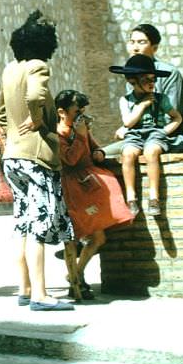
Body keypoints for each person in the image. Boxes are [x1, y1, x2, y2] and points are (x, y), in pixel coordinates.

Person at [0, 11, 77, 311]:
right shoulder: (38, 67)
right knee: (39, 226)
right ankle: (41, 295)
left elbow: (1, 115)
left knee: (23, 224)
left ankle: (25, 289)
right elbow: (35, 96)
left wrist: (14, 134)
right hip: (37, 157)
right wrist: (38, 120)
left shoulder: (9, 69)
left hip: (13, 157)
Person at [55, 89, 134, 298]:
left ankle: (76, 274)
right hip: (73, 189)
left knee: (98, 238)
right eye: (76, 111)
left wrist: (98, 152)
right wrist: (80, 136)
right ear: (62, 112)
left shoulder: (80, 129)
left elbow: (95, 148)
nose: (80, 115)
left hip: (88, 185)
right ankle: (76, 282)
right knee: (75, 237)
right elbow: (70, 159)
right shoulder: (57, 134)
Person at [103, 24, 183, 157]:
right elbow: (132, 111)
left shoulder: (169, 73)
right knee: (101, 155)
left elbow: (170, 115)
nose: (135, 48)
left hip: (168, 135)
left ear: (155, 47)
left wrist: (142, 132)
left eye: (141, 42)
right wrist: (127, 128)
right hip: (138, 136)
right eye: (132, 42)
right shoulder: (131, 72)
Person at [109, 54, 183, 216]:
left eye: (153, 79)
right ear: (132, 82)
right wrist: (141, 106)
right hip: (135, 134)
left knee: (151, 152)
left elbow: (177, 117)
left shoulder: (161, 99)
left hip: (154, 134)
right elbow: (128, 123)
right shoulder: (126, 100)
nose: (152, 83)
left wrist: (164, 131)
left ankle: (154, 198)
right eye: (146, 80)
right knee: (128, 154)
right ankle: (131, 198)